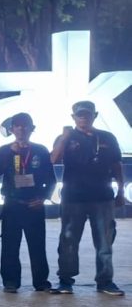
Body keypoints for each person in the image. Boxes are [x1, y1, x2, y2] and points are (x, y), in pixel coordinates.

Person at [50, 100, 126, 296]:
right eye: (79, 114)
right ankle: (65, 281)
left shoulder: (107, 137)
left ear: (95, 115)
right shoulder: (66, 137)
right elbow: (54, 159)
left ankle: (105, 281)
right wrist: (65, 138)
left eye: (87, 114)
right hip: (73, 197)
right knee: (68, 240)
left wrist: (121, 192)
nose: (83, 117)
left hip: (102, 197)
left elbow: (117, 165)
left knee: (105, 241)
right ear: (73, 117)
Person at [0, 113, 54, 293]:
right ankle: (10, 282)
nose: (21, 129)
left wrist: (43, 197)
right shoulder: (4, 150)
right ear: (11, 130)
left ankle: (41, 282)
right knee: (10, 245)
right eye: (17, 126)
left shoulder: (40, 150)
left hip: (34, 205)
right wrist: (10, 152)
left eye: (25, 125)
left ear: (32, 128)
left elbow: (51, 180)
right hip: (12, 205)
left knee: (37, 245)